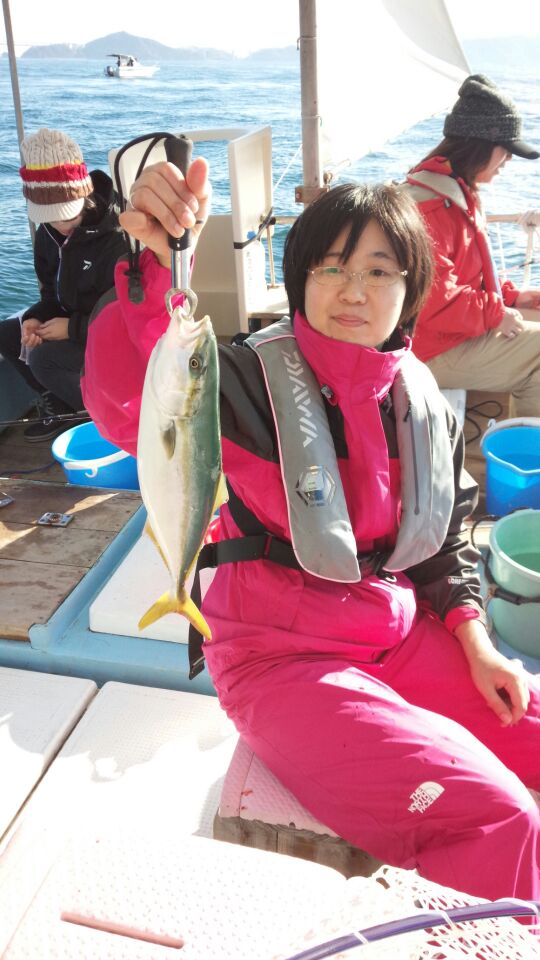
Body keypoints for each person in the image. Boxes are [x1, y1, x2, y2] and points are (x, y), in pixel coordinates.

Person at [82, 156, 540, 911]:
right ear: (300, 281)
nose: (354, 290)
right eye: (330, 267)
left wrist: (477, 641)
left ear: (411, 290)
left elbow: (443, 539)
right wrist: (151, 265)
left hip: (393, 637)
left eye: (380, 271)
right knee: (498, 817)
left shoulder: (419, 399)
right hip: (280, 660)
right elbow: (136, 399)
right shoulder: (242, 382)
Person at [405, 74, 540, 417]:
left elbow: (463, 277)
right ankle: (525, 446)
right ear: (481, 145)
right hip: (428, 348)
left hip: (444, 334)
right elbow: (435, 303)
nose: (508, 161)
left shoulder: (453, 191)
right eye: (506, 151)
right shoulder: (430, 208)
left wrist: (511, 297)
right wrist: (496, 312)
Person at [0, 128, 126, 441]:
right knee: (8, 335)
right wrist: (35, 318)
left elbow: (126, 315)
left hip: (113, 336)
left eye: (67, 216)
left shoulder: (118, 236)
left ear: (85, 197)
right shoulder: (47, 234)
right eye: (50, 218)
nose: (60, 226)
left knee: (43, 359)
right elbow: (51, 293)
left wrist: (72, 328)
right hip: (75, 323)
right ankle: (60, 403)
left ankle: (99, 418)